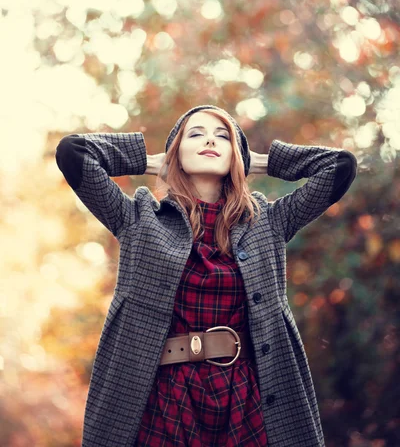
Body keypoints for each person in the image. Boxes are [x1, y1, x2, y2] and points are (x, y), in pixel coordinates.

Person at [55, 104, 358, 447]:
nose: (210, 140)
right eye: (195, 134)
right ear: (176, 153)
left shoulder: (270, 223)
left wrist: (261, 161)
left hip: (248, 398)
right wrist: (145, 160)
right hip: (162, 398)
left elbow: (340, 166)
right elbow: (72, 152)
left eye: (223, 136)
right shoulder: (137, 219)